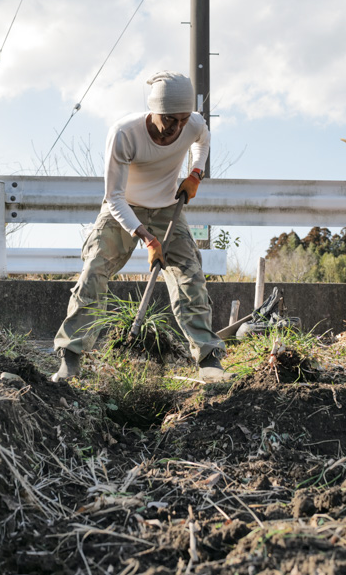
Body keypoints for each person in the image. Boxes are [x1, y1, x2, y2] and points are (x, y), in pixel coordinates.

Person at [52, 71, 233, 383]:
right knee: (94, 271)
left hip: (166, 208)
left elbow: (203, 139)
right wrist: (147, 239)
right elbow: (114, 197)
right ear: (154, 111)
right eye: (169, 120)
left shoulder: (193, 124)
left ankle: (208, 358)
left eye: (183, 119)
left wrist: (195, 172)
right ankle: (71, 356)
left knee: (190, 277)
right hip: (124, 208)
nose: (177, 128)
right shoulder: (125, 133)